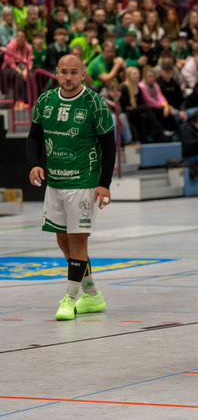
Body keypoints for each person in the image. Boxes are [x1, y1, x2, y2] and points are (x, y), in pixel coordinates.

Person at [26, 54, 115, 321]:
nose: (68, 77)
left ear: (83, 75)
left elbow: (109, 145)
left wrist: (104, 184)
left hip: (83, 181)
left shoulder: (95, 102)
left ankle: (70, 299)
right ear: (56, 73)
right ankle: (92, 294)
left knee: (77, 240)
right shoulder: (45, 100)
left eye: (74, 72)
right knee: (63, 240)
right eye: (63, 72)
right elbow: (34, 137)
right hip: (55, 182)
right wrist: (34, 164)